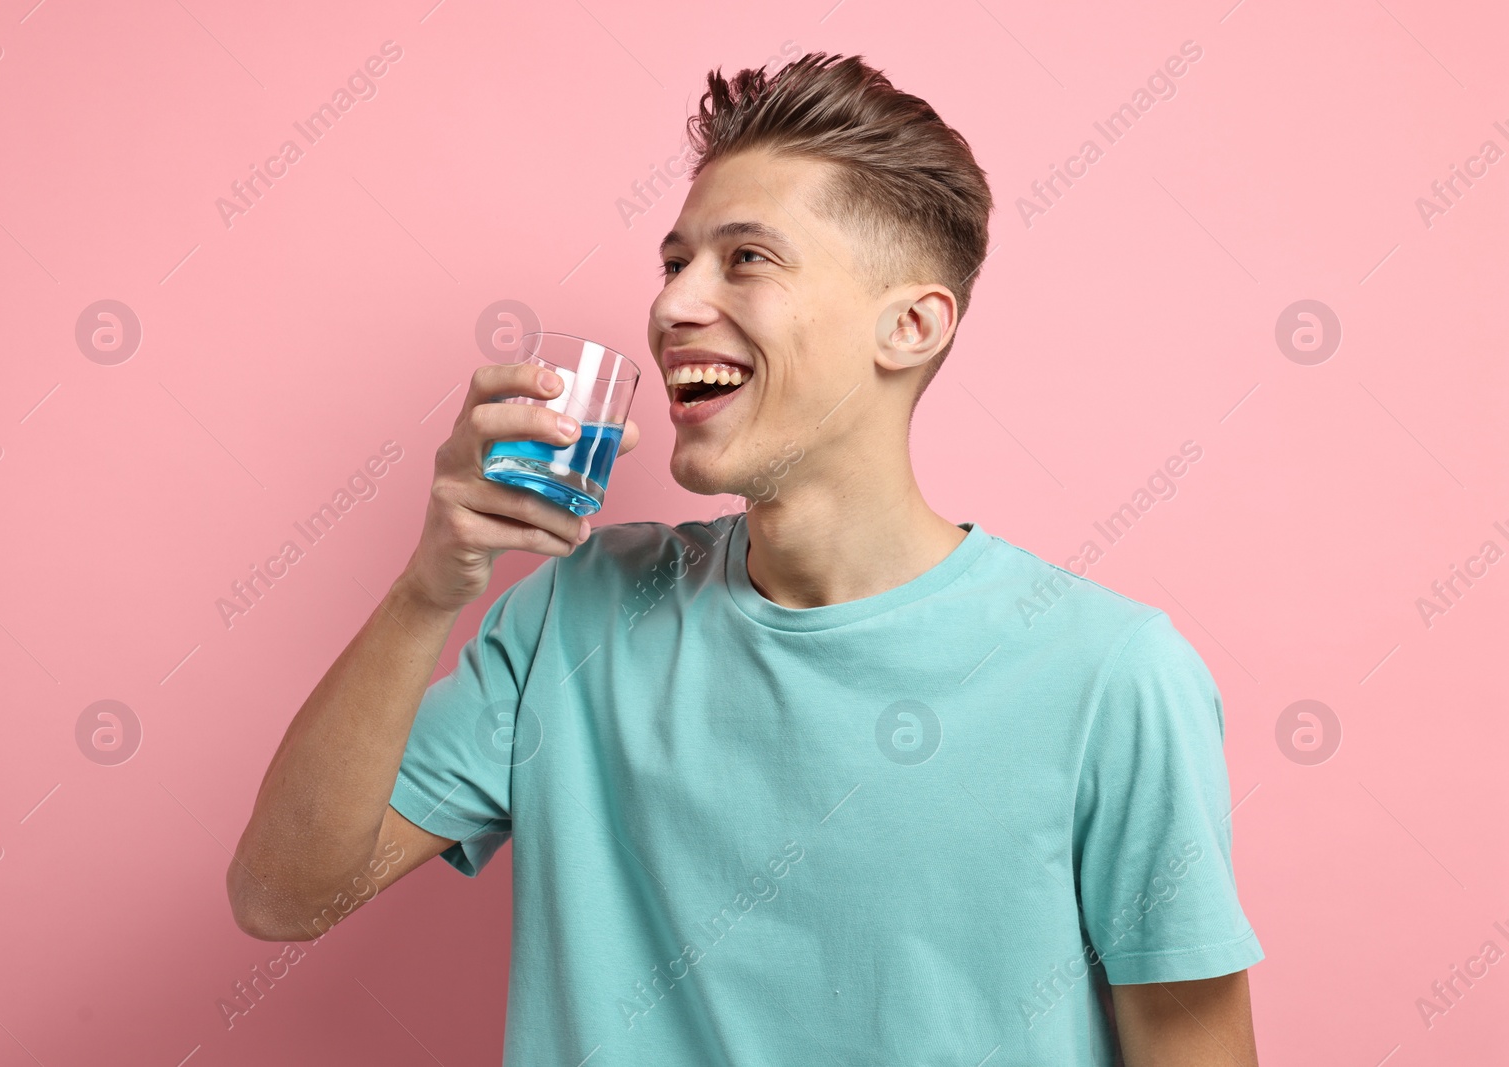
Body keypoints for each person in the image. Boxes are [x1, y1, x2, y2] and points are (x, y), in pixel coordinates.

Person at [228, 51, 1264, 1065]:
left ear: (908, 324)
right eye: (675, 260)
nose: (674, 305)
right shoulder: (575, 615)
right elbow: (281, 897)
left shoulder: (1109, 674)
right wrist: (428, 587)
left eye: (747, 258)